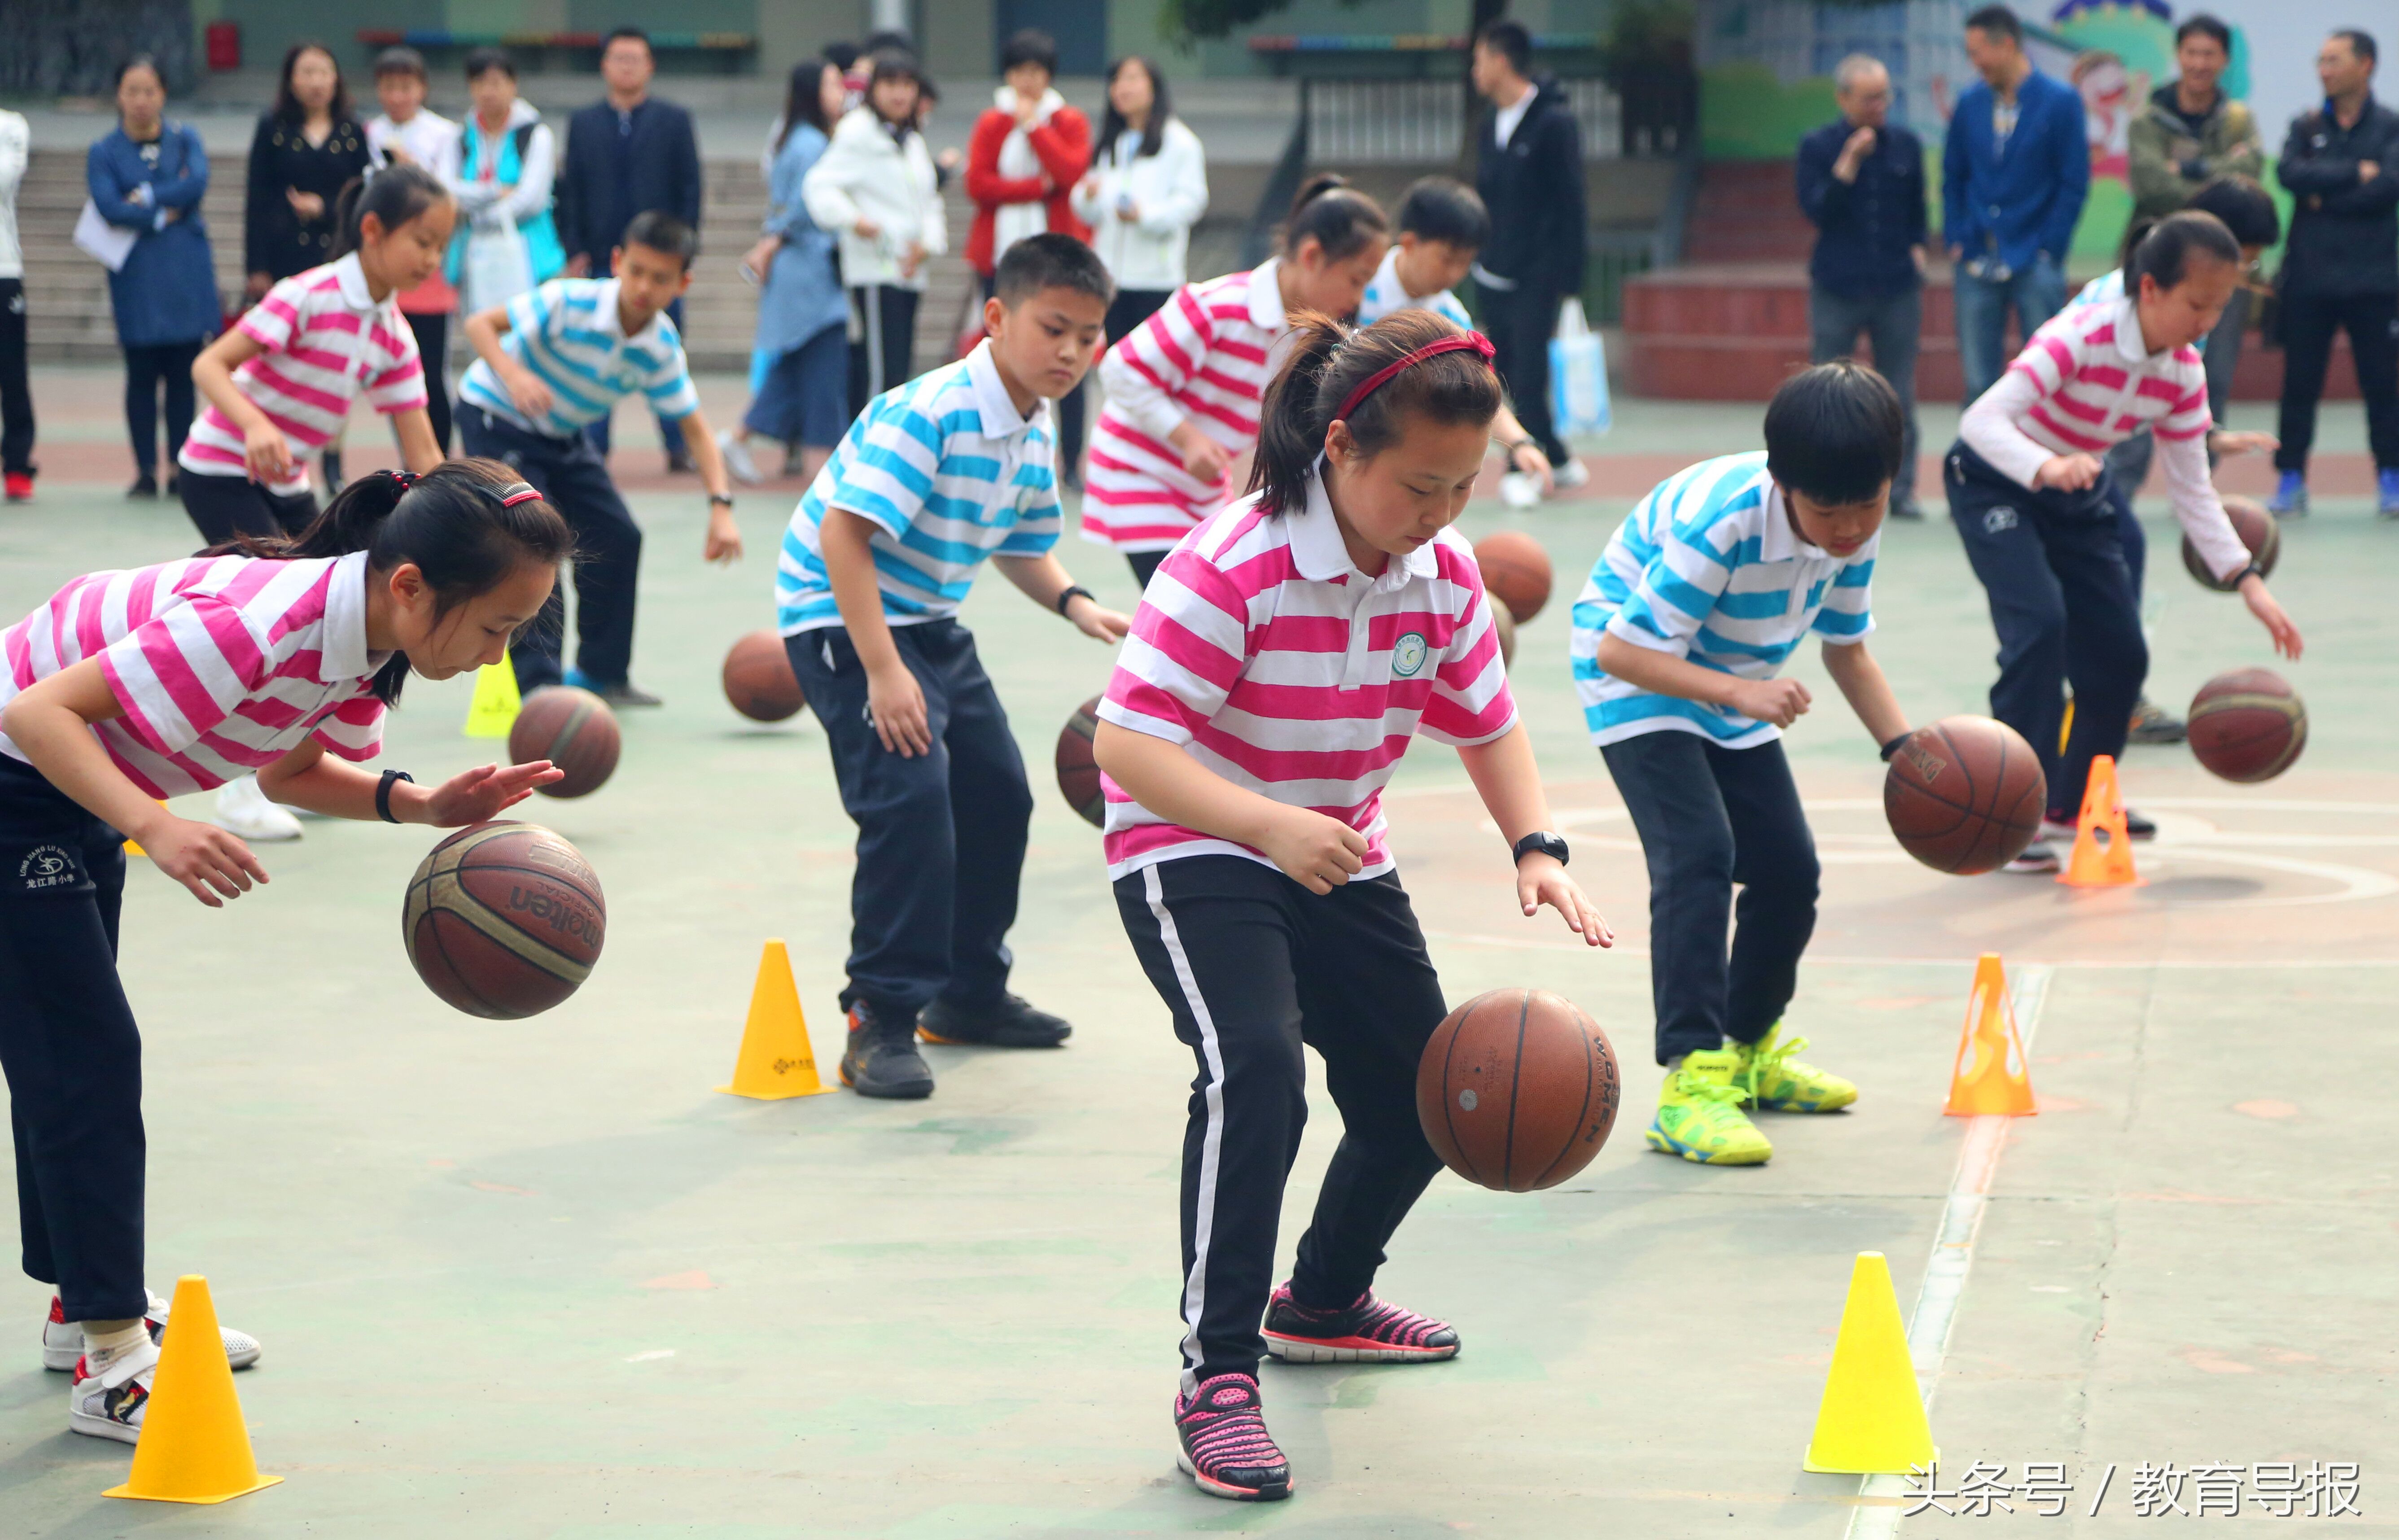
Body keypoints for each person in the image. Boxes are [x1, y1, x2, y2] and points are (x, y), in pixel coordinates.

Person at [1093, 308, 1610, 1503]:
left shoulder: (1441, 573)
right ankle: (1215, 1375)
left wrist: (1535, 845)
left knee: (1419, 1091)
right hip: (1194, 841)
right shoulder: (1237, 559)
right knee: (1255, 1068)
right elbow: (1127, 741)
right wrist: (1264, 821)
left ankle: (1321, 1298)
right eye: (1417, 485)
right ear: (1339, 450)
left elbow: (1487, 720)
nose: (1438, 514)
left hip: (1334, 848)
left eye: (1461, 486)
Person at [0, 457, 570, 1448]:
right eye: (496, 628)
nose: (496, 657)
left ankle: (84, 1313)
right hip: (24, 774)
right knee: (85, 1056)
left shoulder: (361, 643)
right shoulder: (256, 629)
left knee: (65, 1056)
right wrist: (155, 825)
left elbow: (296, 769)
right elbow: (34, 712)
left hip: (72, 782)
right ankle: (114, 1355)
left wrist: (424, 803)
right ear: (411, 586)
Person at [774, 233, 1127, 1101]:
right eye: (1055, 329)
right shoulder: (930, 412)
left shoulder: (1030, 426)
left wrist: (1077, 601)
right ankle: (880, 1016)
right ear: (997, 318)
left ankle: (968, 995)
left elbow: (1021, 546)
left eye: (1089, 336)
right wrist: (883, 671)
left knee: (998, 793)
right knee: (911, 799)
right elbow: (843, 535)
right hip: (840, 618)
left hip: (927, 621)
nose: (1072, 352)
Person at [1569, 364, 1904, 1166]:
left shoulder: (1853, 517)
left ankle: (1749, 1050)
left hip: (1730, 681)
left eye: (1870, 504)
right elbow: (1625, 647)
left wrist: (1905, 751)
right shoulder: (1725, 523)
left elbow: (1847, 649)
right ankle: (1690, 1082)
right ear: (1782, 483)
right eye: (1829, 512)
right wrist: (1737, 693)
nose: (1851, 527)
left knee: (1789, 870)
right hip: (1636, 678)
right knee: (1699, 853)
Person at [1947, 212, 2303, 874]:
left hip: (2074, 491)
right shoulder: (2079, 338)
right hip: (1995, 481)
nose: (2206, 321)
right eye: (2196, 304)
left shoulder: (2181, 374)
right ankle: (2011, 808)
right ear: (2148, 290)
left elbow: (2193, 491)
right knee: (2040, 629)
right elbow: (1980, 421)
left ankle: (2075, 799)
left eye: (2220, 308)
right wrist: (2044, 464)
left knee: (2118, 653)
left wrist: (2247, 582)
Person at [181, 168, 454, 843]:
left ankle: (295, 771)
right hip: (220, 468)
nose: (431, 260)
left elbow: (423, 449)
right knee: (276, 621)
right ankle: (241, 792)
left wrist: (473, 512)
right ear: (372, 230)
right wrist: (254, 425)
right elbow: (210, 365)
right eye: (422, 240)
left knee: (339, 608)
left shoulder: (392, 333)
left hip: (286, 480)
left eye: (441, 247)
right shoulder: (307, 294)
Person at [458, 211, 740, 707]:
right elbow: (480, 324)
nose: (644, 288)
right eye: (636, 271)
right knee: (532, 540)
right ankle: (542, 688)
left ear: (683, 283)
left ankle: (601, 674)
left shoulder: (660, 347)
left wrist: (721, 507)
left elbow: (695, 428)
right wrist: (513, 374)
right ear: (617, 262)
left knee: (618, 535)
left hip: (561, 431)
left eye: (660, 278)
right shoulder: (570, 301)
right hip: (495, 415)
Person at [1086, 176, 1388, 587]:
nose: (1359, 297)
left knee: (1218, 595)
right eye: (1356, 279)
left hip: (1203, 486)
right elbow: (1121, 368)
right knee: (1184, 597)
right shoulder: (1217, 307)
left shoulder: (1312, 341)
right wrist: (1187, 438)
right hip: (1138, 468)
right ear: (1313, 256)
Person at [2074, 178, 2281, 746]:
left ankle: (2104, 692)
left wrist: (2208, 434)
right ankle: (2095, 696)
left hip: (2099, 447)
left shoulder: (2192, 302)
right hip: (2068, 457)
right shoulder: (2115, 305)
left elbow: (2168, 387)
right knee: (2103, 560)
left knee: (2120, 552)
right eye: (2247, 260)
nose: (2246, 276)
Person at [557, 28, 703, 470]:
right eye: (618, 58)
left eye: (635, 58)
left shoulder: (674, 120)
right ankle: (594, 449)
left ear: (650, 66)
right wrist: (576, 249)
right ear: (604, 66)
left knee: (666, 352)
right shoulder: (583, 123)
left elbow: (690, 188)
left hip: (659, 264)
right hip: (604, 259)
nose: (626, 66)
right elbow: (571, 191)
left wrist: (682, 256)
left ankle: (679, 447)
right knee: (598, 355)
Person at [2268, 29, 2399, 519]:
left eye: (2334, 60)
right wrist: (2352, 174)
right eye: (2320, 60)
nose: (2323, 69)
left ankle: (2391, 477)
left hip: (2374, 281)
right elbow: (2288, 174)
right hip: (2309, 280)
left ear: (2365, 65)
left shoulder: (2390, 127)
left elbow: (2388, 187)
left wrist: (2324, 193)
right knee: (2299, 385)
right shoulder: (2304, 126)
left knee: (2382, 386)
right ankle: (2290, 478)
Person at [1357, 176, 1554, 495]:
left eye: (1465, 264)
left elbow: (1479, 390)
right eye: (1447, 260)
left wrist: (1520, 443)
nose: (1454, 274)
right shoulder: (1357, 285)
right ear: (1409, 243)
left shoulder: (1453, 319)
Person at [1797, 55, 1929, 520]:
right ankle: (1822, 485)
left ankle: (1901, 488)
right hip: (1838, 284)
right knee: (1826, 390)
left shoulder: (1907, 145)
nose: (1880, 106)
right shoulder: (1818, 146)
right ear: (1844, 99)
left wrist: (1918, 247)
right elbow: (1817, 212)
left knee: (1899, 393)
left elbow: (1917, 209)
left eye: (1885, 96)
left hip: (1896, 286)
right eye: (1870, 98)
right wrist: (1848, 162)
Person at [87, 58, 220, 502]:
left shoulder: (186, 140)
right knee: (141, 374)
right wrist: (166, 210)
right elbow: (109, 206)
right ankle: (145, 469)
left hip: (185, 272)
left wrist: (144, 196)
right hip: (137, 275)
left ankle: (181, 468)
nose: (141, 100)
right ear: (119, 96)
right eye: (132, 90)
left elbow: (197, 183)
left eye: (150, 90)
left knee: (184, 375)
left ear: (163, 94)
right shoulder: (104, 151)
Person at [1944, 6, 2090, 404]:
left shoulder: (2060, 103)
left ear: (2007, 45)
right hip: (1976, 258)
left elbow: (2074, 182)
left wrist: (2050, 250)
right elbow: (1953, 176)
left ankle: (2044, 464)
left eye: (1978, 53)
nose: (1975, 64)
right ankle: (1979, 465)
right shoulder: (1970, 103)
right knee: (1978, 383)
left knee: (2046, 378)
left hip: (2035, 259)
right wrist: (1957, 236)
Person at [244, 41, 372, 491]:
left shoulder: (353, 131)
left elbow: (364, 200)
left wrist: (326, 208)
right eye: (306, 72)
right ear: (290, 80)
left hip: (336, 258)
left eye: (324, 72)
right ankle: (281, 453)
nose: (316, 82)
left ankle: (333, 460)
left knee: (338, 362)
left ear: (337, 79)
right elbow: (256, 198)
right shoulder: (272, 128)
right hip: (284, 258)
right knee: (283, 361)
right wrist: (255, 265)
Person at [966, 31, 1093, 483]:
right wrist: (1034, 189)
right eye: (1020, 72)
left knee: (1068, 351)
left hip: (1056, 258)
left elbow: (1070, 172)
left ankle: (1071, 459)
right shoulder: (991, 121)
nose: (1027, 82)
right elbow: (978, 184)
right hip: (1000, 259)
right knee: (998, 352)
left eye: (1037, 72)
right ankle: (992, 448)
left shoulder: (1067, 120)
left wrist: (1034, 128)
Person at [1470, 19, 1589, 492]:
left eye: (1479, 60)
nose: (1474, 71)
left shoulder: (1554, 123)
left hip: (1538, 274)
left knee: (1529, 374)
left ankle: (1524, 468)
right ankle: (1555, 456)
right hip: (1493, 271)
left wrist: (1570, 280)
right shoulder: (1489, 124)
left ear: (1501, 61)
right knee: (1504, 372)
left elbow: (1572, 204)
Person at [721, 59, 850, 490]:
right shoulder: (812, 144)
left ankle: (741, 438)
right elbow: (801, 207)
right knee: (821, 364)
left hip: (798, 269)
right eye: (833, 84)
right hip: (809, 271)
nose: (841, 92)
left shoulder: (793, 138)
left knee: (797, 365)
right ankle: (820, 469)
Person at [805, 50, 947, 416]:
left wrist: (928, 245)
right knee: (878, 374)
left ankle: (892, 453)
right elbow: (819, 186)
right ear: (874, 90)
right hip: (874, 270)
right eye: (890, 84)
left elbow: (929, 200)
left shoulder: (912, 140)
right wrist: (855, 220)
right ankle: (868, 457)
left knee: (898, 371)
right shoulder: (858, 133)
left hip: (908, 269)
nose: (900, 94)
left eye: (908, 85)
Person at [1074, 57, 1208, 347]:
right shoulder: (1112, 142)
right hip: (1111, 276)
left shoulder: (1180, 142)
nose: (1123, 88)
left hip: (1155, 278)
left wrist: (1145, 216)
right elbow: (1088, 209)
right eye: (1117, 81)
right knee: (1117, 360)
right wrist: (1087, 197)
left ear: (1154, 88)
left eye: (1133, 79)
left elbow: (1192, 201)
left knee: (1154, 361)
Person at [366, 47, 461, 455]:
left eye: (406, 86)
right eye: (389, 87)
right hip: (390, 265)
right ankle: (409, 453)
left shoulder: (443, 133)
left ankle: (438, 452)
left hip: (428, 268)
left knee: (430, 370)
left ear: (421, 88)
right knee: (394, 367)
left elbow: (450, 193)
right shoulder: (370, 132)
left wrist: (409, 170)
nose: (398, 96)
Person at [443, 49, 564, 320]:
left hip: (529, 256)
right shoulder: (459, 137)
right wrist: (495, 192)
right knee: (480, 332)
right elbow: (446, 190)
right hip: (473, 255)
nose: (488, 91)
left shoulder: (535, 135)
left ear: (513, 84)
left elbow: (531, 200)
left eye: (496, 83)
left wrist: (475, 208)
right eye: (479, 83)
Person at [2128, 14, 2262, 223]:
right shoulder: (2147, 121)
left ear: (2226, 59)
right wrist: (2222, 186)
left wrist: (2190, 169)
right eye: (2191, 53)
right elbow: (2152, 187)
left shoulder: (2239, 120)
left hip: (2222, 243)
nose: (2199, 65)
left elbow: (2250, 171)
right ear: (2178, 55)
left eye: (2209, 55)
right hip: (2157, 242)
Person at [0, 105, 30, 505]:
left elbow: (5, 179)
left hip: (4, 267)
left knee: (12, 371)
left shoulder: (11, 125)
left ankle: (19, 465)